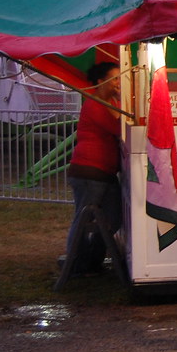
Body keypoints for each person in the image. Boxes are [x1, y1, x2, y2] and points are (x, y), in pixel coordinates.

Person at [64, 61, 123, 275]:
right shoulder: (94, 104)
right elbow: (119, 128)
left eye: (120, 78)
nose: (119, 82)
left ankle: (92, 260)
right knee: (83, 220)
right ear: (101, 81)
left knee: (114, 218)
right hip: (89, 171)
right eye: (115, 78)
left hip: (104, 173)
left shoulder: (110, 103)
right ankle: (76, 266)